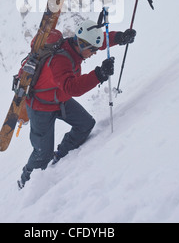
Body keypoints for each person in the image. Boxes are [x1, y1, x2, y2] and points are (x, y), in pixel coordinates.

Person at [18, 19, 136, 189]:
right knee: (42, 154)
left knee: (86, 124)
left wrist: (120, 37)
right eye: (92, 50)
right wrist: (99, 74)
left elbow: (99, 41)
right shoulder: (61, 60)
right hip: (40, 107)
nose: (95, 53)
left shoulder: (76, 47)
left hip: (59, 100)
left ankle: (60, 154)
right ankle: (25, 181)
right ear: (81, 44)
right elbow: (72, 88)